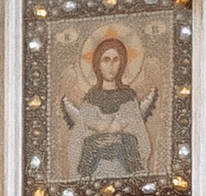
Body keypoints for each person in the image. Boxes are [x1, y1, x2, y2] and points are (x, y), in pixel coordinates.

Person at [59, 28, 157, 187]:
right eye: (106, 60)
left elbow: (141, 138)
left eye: (115, 60)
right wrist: (104, 132)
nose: (111, 66)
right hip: (94, 173)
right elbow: (77, 141)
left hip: (124, 172)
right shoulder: (91, 99)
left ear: (122, 63)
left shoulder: (128, 97)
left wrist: (116, 133)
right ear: (97, 64)